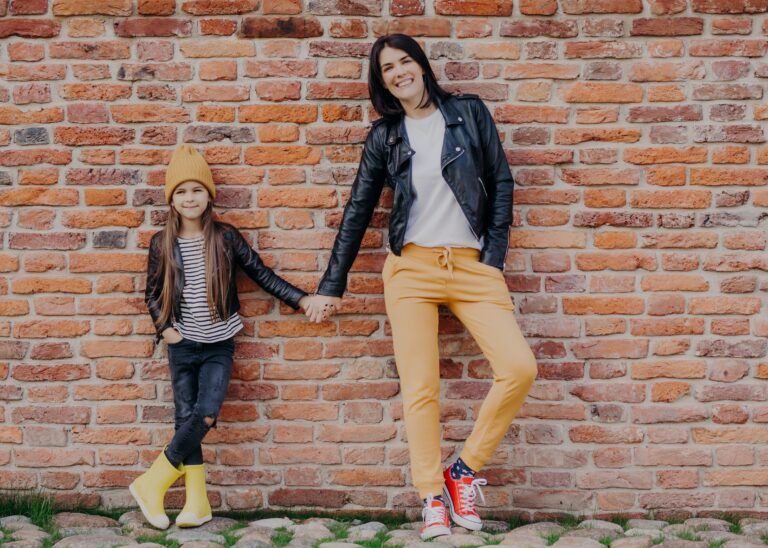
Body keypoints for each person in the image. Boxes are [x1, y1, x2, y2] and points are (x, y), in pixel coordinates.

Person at [306, 34, 538, 539]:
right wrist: (332, 284)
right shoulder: (384, 137)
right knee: (420, 389)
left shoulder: (468, 114)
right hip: (411, 270)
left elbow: (501, 183)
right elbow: (358, 211)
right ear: (381, 80)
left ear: (422, 65)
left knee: (519, 367)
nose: (398, 72)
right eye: (387, 68)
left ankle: (464, 470)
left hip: (473, 266)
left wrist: (493, 261)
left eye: (404, 61)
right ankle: (433, 497)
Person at [133, 144, 311, 529]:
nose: (189, 198)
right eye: (180, 191)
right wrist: (165, 330)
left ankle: (153, 481)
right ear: (171, 199)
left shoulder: (226, 238)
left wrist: (301, 300)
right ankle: (197, 504)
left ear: (209, 194)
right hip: (182, 344)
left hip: (218, 343)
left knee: (206, 413)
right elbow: (151, 293)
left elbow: (261, 274)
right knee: (185, 419)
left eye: (196, 189)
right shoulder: (162, 243)